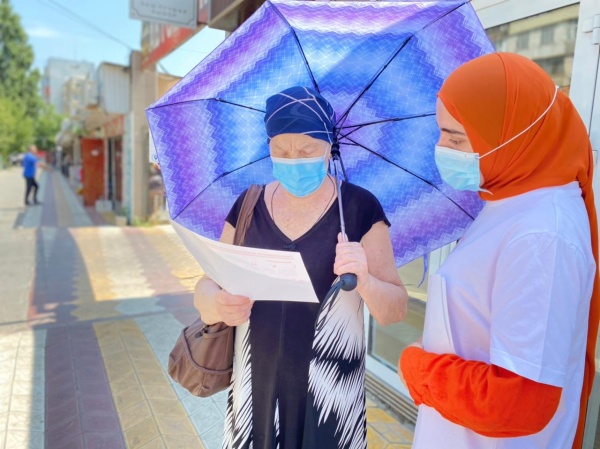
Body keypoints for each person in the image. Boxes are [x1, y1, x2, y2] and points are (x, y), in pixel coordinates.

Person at [398, 52, 599, 449]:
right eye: (441, 133)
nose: (442, 148)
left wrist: (418, 370)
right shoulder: (508, 196)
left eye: (456, 138)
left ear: (512, 136)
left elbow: (518, 402)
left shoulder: (542, 236)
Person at [194, 86, 408, 449]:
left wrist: (365, 280)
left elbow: (395, 310)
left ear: (329, 147)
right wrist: (215, 304)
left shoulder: (359, 208)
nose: (293, 160)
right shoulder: (248, 205)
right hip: (254, 389)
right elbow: (205, 286)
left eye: (307, 150)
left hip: (329, 395)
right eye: (281, 150)